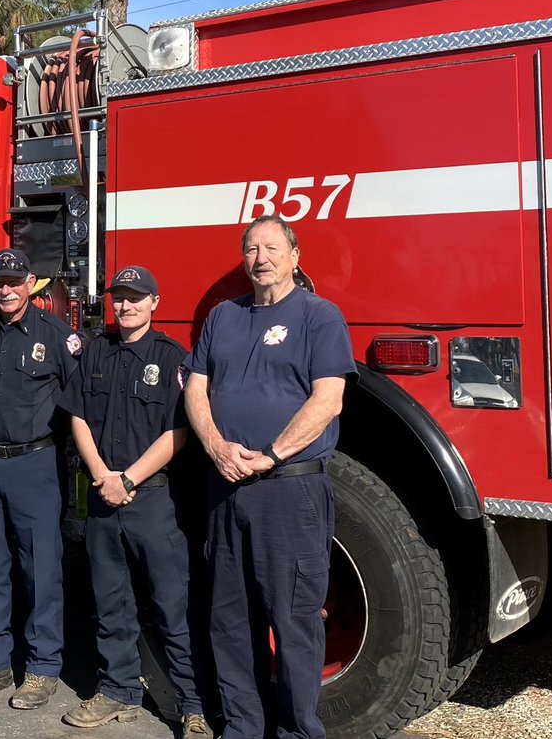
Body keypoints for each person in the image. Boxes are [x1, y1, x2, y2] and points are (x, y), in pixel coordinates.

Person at [185, 215, 355, 739]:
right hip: (226, 487)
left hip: (289, 490)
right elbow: (195, 388)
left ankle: (299, 731)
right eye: (252, 248)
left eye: (272, 247)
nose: (261, 257)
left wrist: (271, 454)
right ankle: (242, 728)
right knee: (230, 620)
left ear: (295, 256)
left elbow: (329, 399)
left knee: (294, 619)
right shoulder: (222, 317)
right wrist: (216, 447)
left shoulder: (319, 316)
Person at [60, 266, 211, 739]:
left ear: (154, 303)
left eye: (135, 298)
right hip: (104, 498)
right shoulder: (96, 351)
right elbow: (78, 417)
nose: (125, 306)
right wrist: (103, 475)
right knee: (110, 604)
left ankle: (193, 705)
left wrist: (127, 477)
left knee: (173, 605)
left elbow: (179, 431)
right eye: (119, 298)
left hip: (149, 499)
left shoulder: (171, 359)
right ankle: (117, 689)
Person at [0, 248, 82, 710]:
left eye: (14, 280)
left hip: (35, 463)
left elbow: (75, 403)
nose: (5, 289)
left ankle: (43, 667)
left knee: (40, 568)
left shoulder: (58, 336)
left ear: (31, 284)